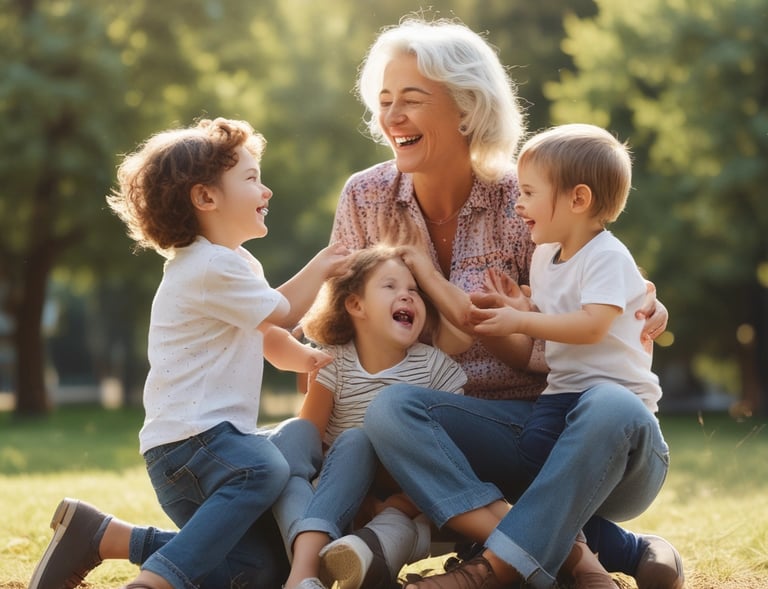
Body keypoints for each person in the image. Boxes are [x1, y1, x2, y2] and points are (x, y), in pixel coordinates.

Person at [328, 16, 684, 589]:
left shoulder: (524, 200)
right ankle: (602, 553)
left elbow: (552, 341)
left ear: (468, 108)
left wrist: (641, 303)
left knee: (611, 404)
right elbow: (333, 325)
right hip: (445, 440)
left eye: (411, 100)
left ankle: (497, 567)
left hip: (556, 433)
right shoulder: (366, 197)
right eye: (384, 100)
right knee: (388, 411)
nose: (391, 116)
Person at [27, 117, 351, 589]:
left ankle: (103, 536)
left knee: (256, 570)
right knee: (265, 467)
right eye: (251, 177)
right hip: (195, 444)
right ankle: (155, 582)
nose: (267, 190)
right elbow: (280, 311)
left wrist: (304, 358)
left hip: (202, 451)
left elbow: (268, 335)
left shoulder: (235, 262)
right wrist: (322, 265)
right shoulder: (208, 265)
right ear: (205, 197)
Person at [270, 244, 469, 589]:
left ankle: (350, 563)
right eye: (390, 287)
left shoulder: (437, 369)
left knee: (400, 525)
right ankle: (308, 567)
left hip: (407, 498)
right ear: (355, 305)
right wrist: (351, 498)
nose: (407, 297)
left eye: (414, 291)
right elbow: (310, 444)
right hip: (339, 492)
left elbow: (448, 456)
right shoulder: (333, 363)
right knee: (320, 452)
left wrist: (398, 504)